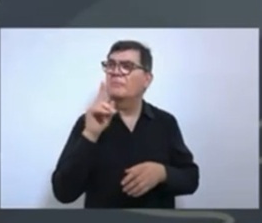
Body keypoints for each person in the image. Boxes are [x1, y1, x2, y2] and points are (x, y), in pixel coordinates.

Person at [50, 40, 199, 209]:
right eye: (111, 65)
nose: (115, 72)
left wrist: (162, 173)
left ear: (147, 79)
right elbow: (63, 193)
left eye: (126, 66)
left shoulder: (165, 123)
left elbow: (191, 179)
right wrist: (90, 135)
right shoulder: (89, 122)